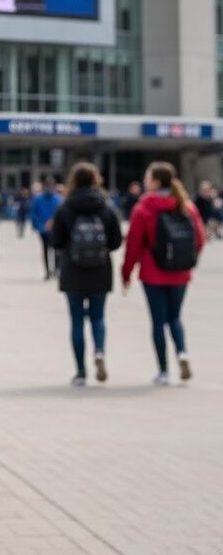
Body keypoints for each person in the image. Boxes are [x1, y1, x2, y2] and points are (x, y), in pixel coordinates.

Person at [122, 161, 205, 385]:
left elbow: (133, 245)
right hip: (181, 274)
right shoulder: (187, 206)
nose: (145, 181)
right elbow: (199, 239)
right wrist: (187, 261)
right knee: (175, 317)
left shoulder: (143, 208)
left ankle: (163, 371)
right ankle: (182, 353)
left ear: (156, 182)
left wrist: (126, 273)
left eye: (148, 177)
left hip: (153, 273)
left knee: (158, 321)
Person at [48, 162, 122, 386]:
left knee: (77, 320)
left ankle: (80, 372)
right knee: (98, 317)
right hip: (100, 270)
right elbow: (116, 242)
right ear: (95, 180)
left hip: (73, 270)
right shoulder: (106, 208)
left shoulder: (65, 208)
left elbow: (56, 242)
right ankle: (99, 351)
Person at [30, 176, 62, 280]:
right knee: (47, 250)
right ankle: (48, 271)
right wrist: (36, 225)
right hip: (44, 229)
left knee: (56, 250)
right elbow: (34, 213)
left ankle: (55, 269)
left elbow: (62, 214)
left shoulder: (58, 198)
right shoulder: (39, 199)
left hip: (55, 229)